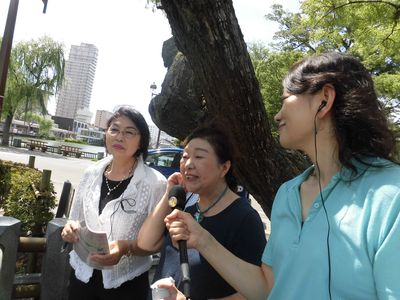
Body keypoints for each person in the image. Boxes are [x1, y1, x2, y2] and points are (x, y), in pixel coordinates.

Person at [164, 52, 400, 299]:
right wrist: (202, 240)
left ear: (324, 100)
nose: (277, 115)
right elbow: (267, 288)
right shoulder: (288, 193)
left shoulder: (390, 195)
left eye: (285, 99)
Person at [138, 126, 267, 299]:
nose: (188, 164)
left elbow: (255, 293)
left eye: (198, 156)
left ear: (224, 168)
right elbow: (146, 244)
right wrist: (170, 193)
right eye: (185, 156)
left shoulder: (245, 219)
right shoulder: (187, 207)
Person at [61, 106, 167, 300]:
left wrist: (126, 248)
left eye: (129, 132)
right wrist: (70, 229)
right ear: (106, 134)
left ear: (141, 140)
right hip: (82, 275)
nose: (120, 137)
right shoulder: (90, 173)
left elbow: (159, 242)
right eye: (115, 129)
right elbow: (74, 219)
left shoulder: (155, 183)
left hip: (127, 283)